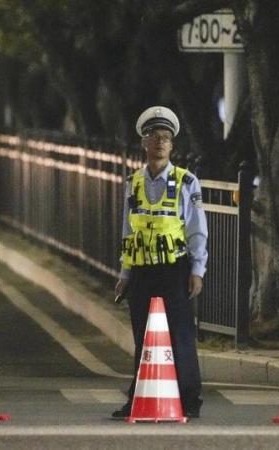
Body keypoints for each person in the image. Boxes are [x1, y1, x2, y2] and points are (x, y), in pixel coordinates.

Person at [112, 106, 208, 419]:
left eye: (166, 138)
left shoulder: (186, 182)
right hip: (141, 270)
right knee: (142, 337)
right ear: (144, 143)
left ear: (172, 145)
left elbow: (197, 230)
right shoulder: (133, 182)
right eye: (154, 137)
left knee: (181, 334)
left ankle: (189, 399)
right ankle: (138, 398)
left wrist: (197, 270)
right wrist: (125, 273)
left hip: (174, 269)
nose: (160, 142)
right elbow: (129, 230)